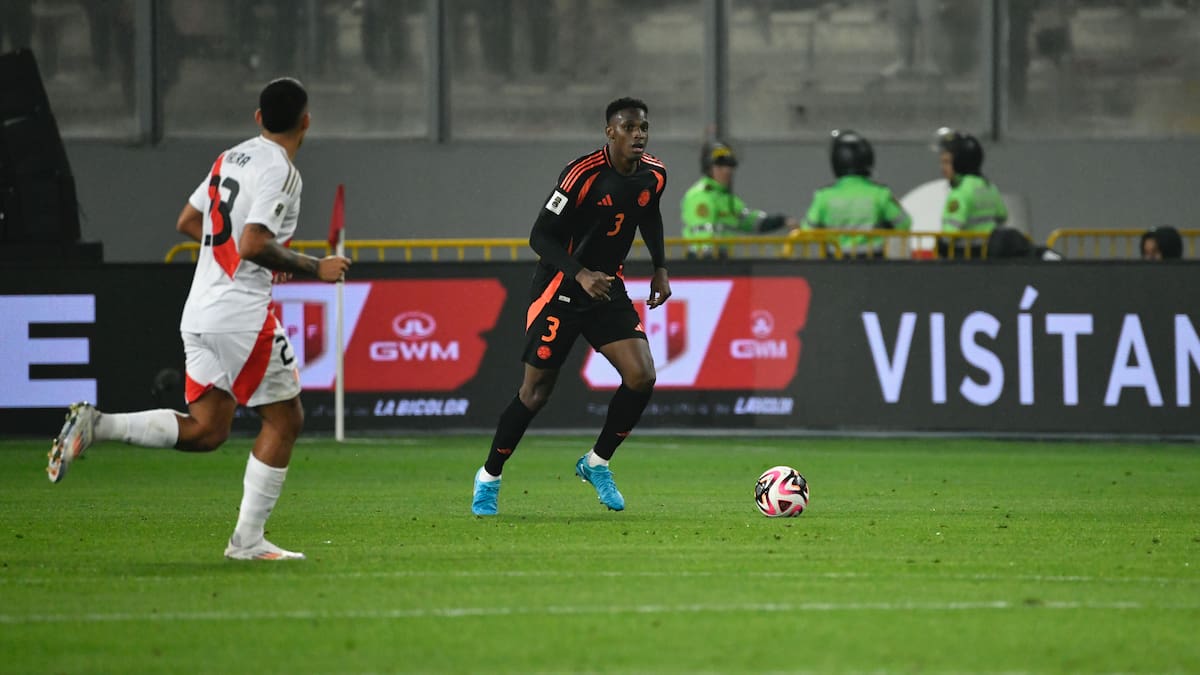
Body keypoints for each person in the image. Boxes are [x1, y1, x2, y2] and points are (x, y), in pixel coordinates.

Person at [47, 78, 352, 561]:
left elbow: (189, 221)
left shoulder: (230, 158)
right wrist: (315, 267)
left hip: (200, 311)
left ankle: (97, 425)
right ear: (306, 121)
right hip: (240, 315)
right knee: (286, 418)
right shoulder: (283, 170)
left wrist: (259, 259)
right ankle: (247, 541)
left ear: (257, 118)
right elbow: (251, 242)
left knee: (208, 430)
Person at [471, 96, 671, 516]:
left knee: (642, 375)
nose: (638, 135)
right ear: (610, 132)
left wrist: (660, 267)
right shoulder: (582, 175)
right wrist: (580, 274)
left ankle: (597, 463)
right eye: (629, 128)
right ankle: (489, 477)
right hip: (562, 286)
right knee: (535, 392)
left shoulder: (654, 174)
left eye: (643, 128)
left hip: (607, 285)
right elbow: (539, 237)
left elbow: (648, 213)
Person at [796, 129, 911, 259]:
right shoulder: (880, 194)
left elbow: (806, 230)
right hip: (874, 264)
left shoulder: (823, 197)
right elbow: (904, 223)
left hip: (834, 264)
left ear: (836, 162)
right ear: (868, 160)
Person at [680, 140, 794, 259]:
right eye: (720, 166)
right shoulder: (700, 196)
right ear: (708, 169)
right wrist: (710, 263)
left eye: (730, 165)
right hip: (703, 266)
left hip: (722, 262)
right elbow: (703, 238)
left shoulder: (727, 199)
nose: (726, 170)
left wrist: (782, 220)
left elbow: (751, 221)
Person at [935, 127, 1007, 259]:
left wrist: (940, 245)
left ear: (960, 162)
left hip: (964, 257)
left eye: (947, 162)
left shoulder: (960, 192)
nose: (942, 168)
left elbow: (950, 234)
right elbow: (1002, 216)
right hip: (989, 257)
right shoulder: (989, 187)